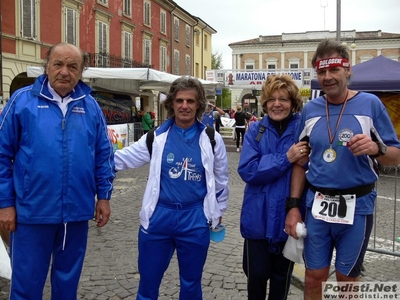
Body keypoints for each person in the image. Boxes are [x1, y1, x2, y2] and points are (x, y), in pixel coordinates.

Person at [284, 39, 400, 300]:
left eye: (334, 69)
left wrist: (376, 148)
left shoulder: (370, 104)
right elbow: (300, 162)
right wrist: (293, 206)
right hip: (318, 205)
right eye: (322, 71)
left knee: (347, 279)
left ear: (348, 70)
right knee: (314, 277)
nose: (328, 77)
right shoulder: (311, 109)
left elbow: (395, 155)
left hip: (357, 206)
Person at [0, 43, 115, 299]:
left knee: (67, 286)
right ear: (47, 66)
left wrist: (104, 197)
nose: (65, 72)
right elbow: (1, 154)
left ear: (81, 72)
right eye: (58, 64)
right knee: (26, 286)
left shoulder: (91, 107)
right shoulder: (22, 102)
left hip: (75, 215)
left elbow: (103, 156)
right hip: (31, 213)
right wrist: (5, 203)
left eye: (72, 67)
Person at [114, 76, 229, 300]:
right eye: (179, 101)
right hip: (159, 217)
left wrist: (218, 211)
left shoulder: (212, 140)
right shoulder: (155, 138)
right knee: (147, 285)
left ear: (198, 105)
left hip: (195, 218)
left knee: (191, 285)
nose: (184, 106)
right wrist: (86, 160)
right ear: (172, 104)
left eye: (190, 101)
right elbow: (121, 159)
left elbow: (222, 179)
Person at [238, 74, 310, 300]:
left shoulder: (304, 129)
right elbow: (248, 170)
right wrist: (285, 158)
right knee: (256, 275)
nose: (277, 104)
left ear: (293, 103)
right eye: (271, 99)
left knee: (282, 279)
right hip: (257, 218)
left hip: (289, 216)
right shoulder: (255, 130)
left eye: (283, 99)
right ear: (265, 103)